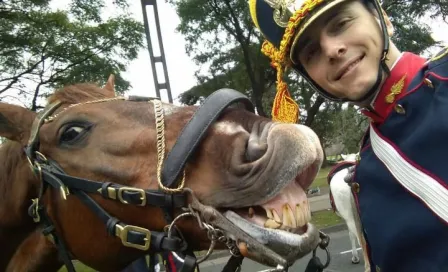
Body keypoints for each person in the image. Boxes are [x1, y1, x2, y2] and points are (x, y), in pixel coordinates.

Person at [248, 0, 448, 271]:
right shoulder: (364, 177)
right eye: (311, 52)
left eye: (341, 24)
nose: (331, 50)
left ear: (383, 18)